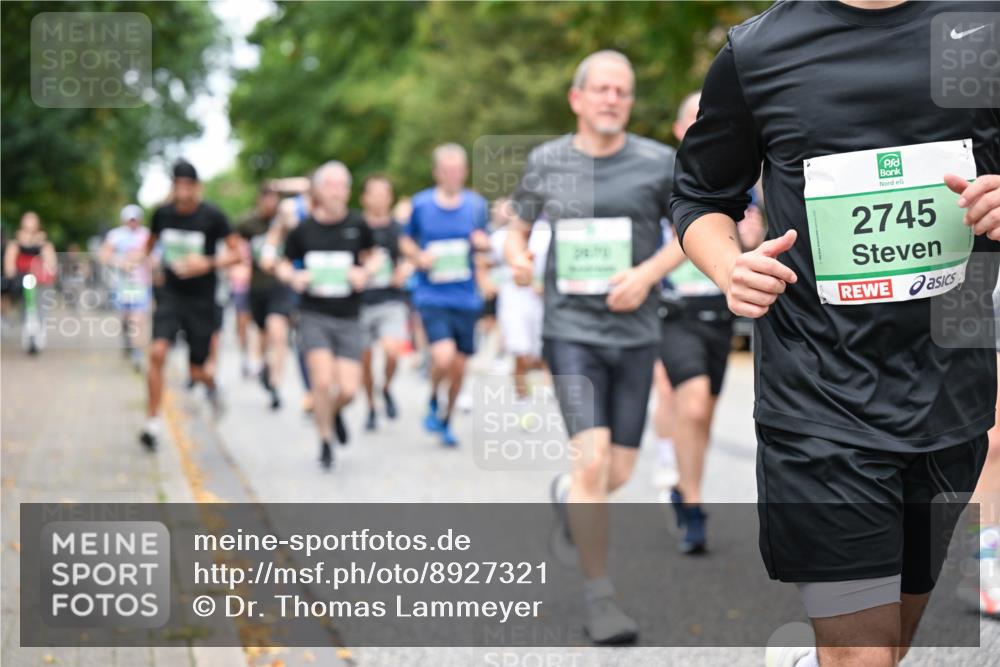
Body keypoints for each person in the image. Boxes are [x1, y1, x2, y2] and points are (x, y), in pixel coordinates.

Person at [669, 1, 999, 665]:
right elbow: (701, 196)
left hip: (948, 395)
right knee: (864, 654)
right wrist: (730, 265)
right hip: (817, 396)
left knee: (894, 641)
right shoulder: (759, 51)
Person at [506, 50, 678, 645]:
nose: (612, 99)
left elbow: (693, 230)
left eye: (622, 92)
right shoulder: (547, 161)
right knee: (594, 459)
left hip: (635, 335)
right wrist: (517, 257)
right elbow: (516, 227)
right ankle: (601, 598)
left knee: (619, 471)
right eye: (601, 89)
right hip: (570, 330)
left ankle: (570, 502)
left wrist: (647, 273)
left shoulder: (660, 163)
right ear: (577, 98)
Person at [659, 90, 768, 554]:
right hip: (673, 312)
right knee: (695, 404)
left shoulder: (741, 178)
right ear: (678, 129)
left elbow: (760, 240)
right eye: (693, 119)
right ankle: (695, 506)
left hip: (719, 311)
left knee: (702, 414)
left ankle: (686, 487)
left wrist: (749, 238)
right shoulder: (659, 177)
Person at [276, 161, 379, 469]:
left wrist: (365, 272)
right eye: (330, 185)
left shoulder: (358, 225)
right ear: (318, 191)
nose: (336, 191)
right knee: (321, 382)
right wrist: (293, 277)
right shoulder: (304, 230)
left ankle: (332, 414)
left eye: (341, 185)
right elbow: (282, 262)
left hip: (348, 315)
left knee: (348, 389)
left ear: (348, 191)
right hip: (314, 314)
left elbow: (374, 257)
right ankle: (324, 440)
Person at [140, 160, 240, 450]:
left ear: (196, 187)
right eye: (178, 185)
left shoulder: (213, 216)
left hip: (201, 300)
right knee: (157, 353)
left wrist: (206, 263)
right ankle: (152, 423)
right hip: (170, 295)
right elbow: (149, 246)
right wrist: (153, 266)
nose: (183, 192)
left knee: (197, 371)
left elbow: (237, 254)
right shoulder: (161, 214)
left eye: (188, 186)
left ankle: (211, 387)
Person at [400, 143, 491, 447]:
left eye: (458, 171)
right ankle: (433, 398)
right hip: (432, 295)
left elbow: (488, 242)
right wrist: (418, 257)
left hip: (466, 297)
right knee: (443, 356)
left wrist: (483, 243)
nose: (453, 176)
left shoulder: (476, 205)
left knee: (459, 366)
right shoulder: (421, 204)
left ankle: (447, 417)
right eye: (446, 171)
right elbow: (405, 241)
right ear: (437, 173)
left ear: (464, 172)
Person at [358, 175, 412, 431]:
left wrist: (406, 270)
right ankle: (370, 406)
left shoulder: (397, 228)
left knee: (393, 351)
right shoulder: (356, 227)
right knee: (365, 361)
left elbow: (411, 256)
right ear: (364, 198)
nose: (379, 198)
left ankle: (387, 387)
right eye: (374, 193)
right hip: (360, 302)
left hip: (391, 299)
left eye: (384, 193)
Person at [489, 198, 549, 405]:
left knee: (540, 354)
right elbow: (487, 264)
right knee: (521, 353)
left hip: (542, 301)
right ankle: (522, 397)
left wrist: (544, 284)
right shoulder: (500, 237)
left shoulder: (545, 232)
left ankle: (545, 388)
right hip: (513, 300)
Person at [238, 183, 290, 410]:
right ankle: (265, 368)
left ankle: (277, 384)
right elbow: (235, 246)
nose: (270, 203)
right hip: (257, 287)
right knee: (263, 334)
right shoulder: (248, 224)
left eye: (274, 199)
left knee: (278, 331)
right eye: (266, 198)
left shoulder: (285, 223)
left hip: (280, 286)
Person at [100, 204, 152, 370]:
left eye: (135, 220)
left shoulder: (147, 235)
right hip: (121, 284)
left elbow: (154, 256)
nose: (132, 223)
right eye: (130, 220)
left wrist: (143, 259)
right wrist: (120, 262)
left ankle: (138, 353)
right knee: (125, 317)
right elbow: (104, 255)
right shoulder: (115, 235)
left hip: (140, 283)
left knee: (138, 318)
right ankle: (127, 341)